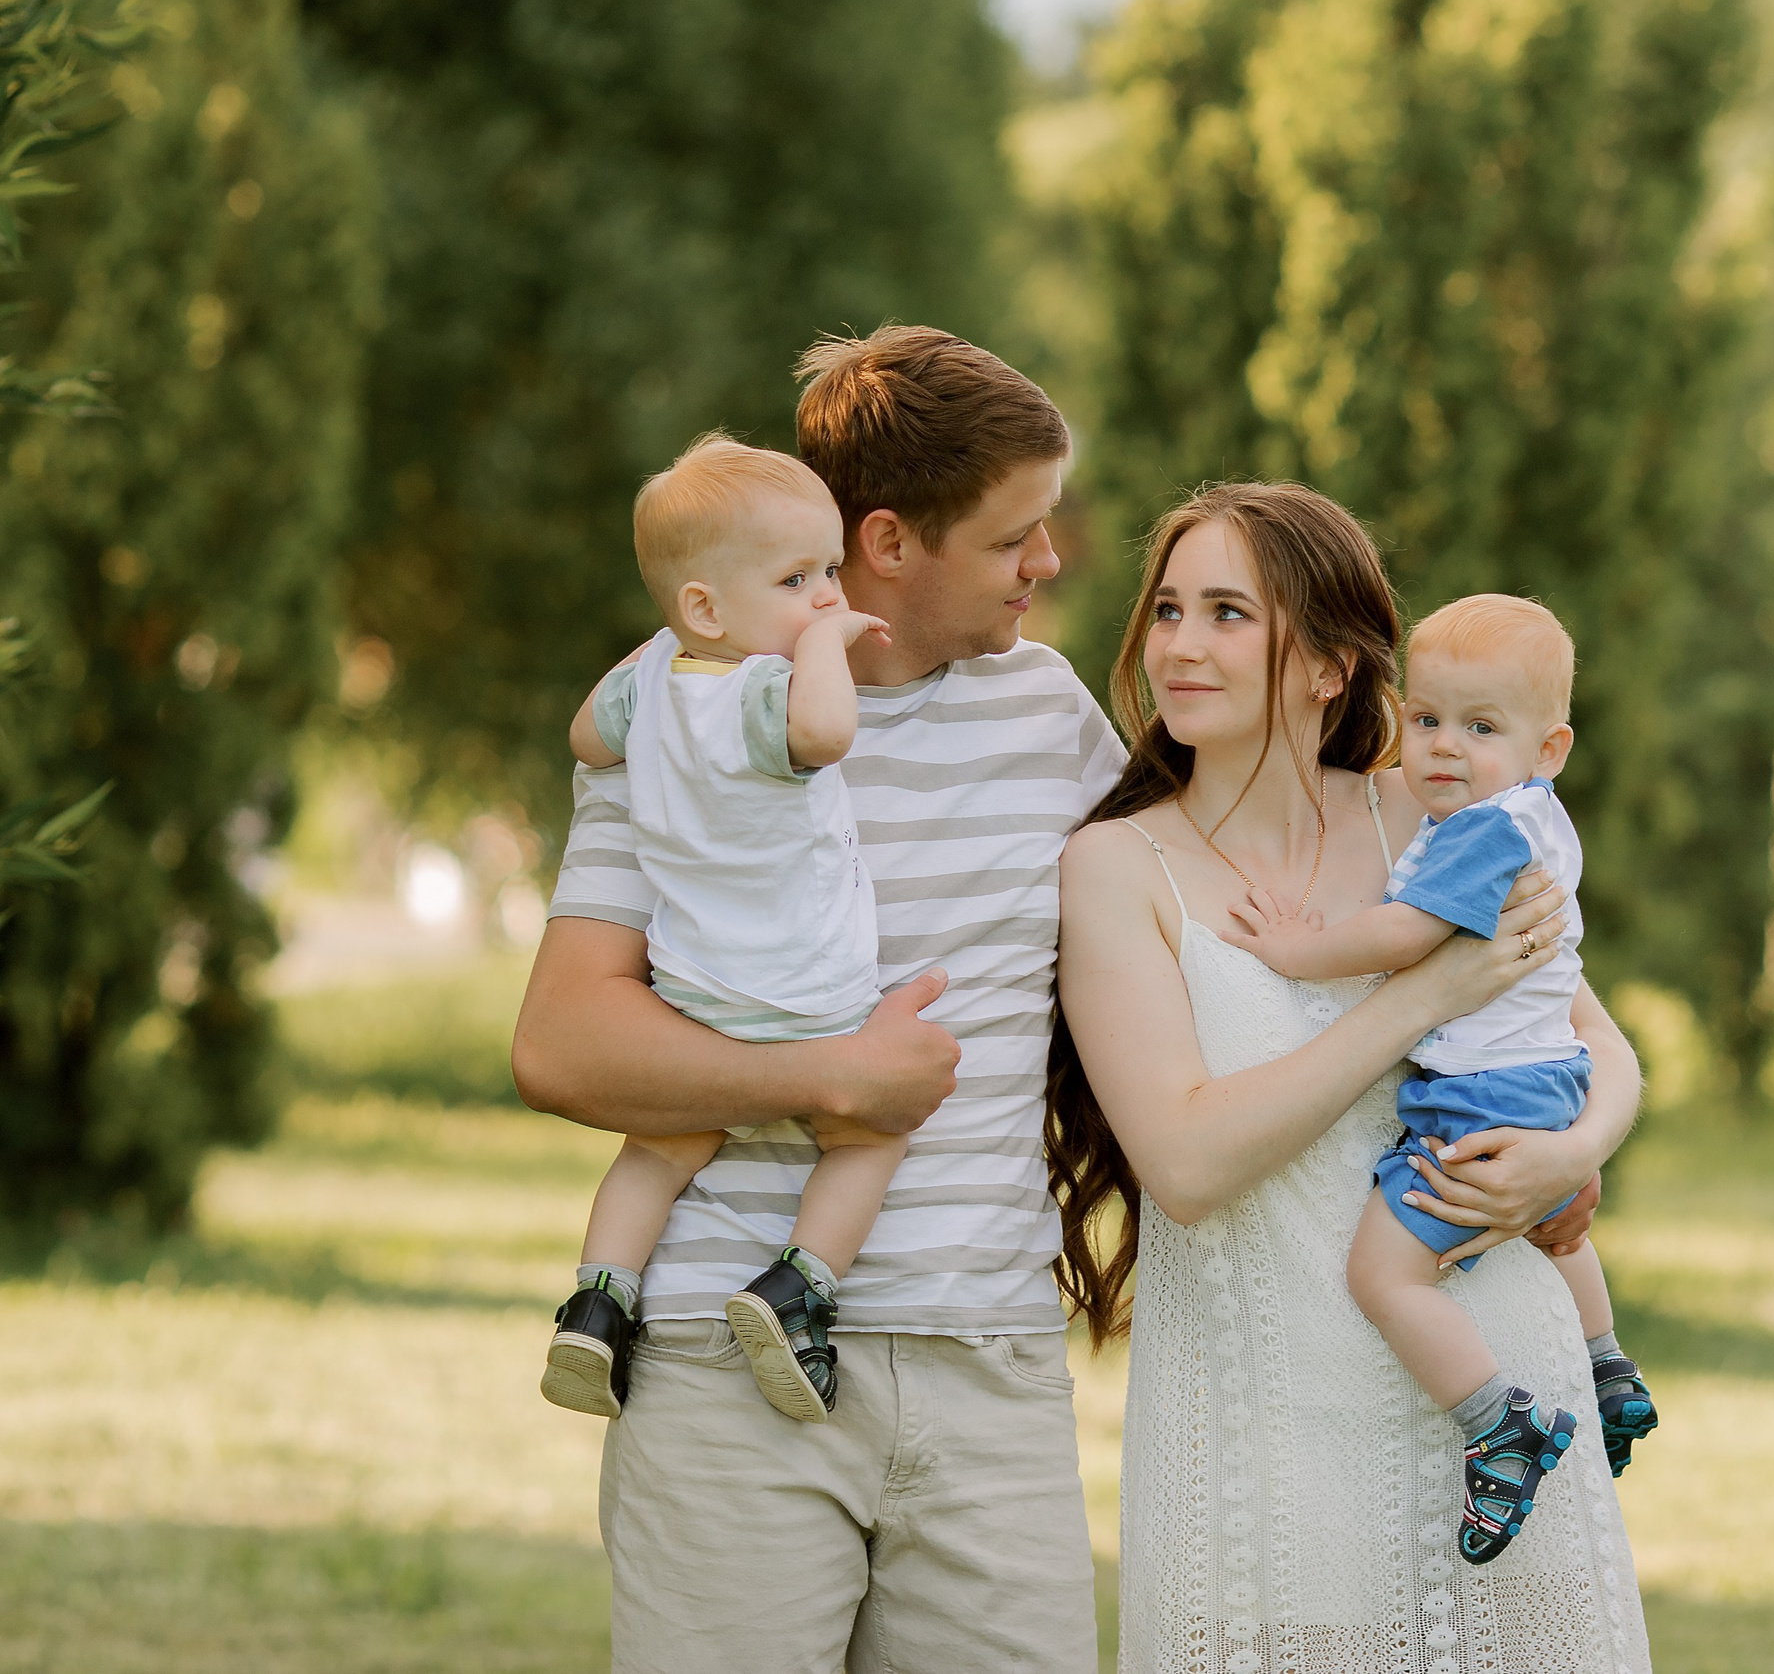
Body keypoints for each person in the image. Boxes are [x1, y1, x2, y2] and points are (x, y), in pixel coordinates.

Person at [513, 326, 1126, 1673]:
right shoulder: (682, 719)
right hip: (721, 1373)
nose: (1050, 560)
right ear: (889, 544)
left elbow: (1209, 941)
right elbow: (560, 1041)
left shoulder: (1052, 715)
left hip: (988, 1364)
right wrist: (831, 1081)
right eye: (1014, 534)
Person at [1051, 483, 1651, 1674]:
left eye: (1228, 612)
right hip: (1264, 1443)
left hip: (1494, 1405)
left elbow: (1599, 1041)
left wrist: (1575, 1154)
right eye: (1167, 608)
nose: (1177, 643)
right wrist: (1421, 1000)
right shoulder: (1116, 867)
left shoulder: (1425, 811)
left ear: (1329, 665)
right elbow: (1185, 1164)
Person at [1218, 594, 1659, 1563]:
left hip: (1481, 1094)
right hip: (1545, 1074)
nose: (1444, 749)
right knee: (1546, 1224)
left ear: (1550, 749)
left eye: (1480, 727)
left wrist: (1301, 950)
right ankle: (1604, 1360)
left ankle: (1500, 1425)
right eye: (1426, 721)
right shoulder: (1532, 818)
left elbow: (1406, 934)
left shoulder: (1482, 833)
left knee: (1387, 1273)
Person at [540, 435, 904, 1428]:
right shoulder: (765, 692)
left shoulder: (653, 679)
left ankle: (598, 1301)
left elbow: (585, 737)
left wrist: (656, 654)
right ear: (708, 606)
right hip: (809, 991)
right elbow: (827, 735)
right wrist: (826, 647)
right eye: (798, 579)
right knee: (872, 1133)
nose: (827, 596)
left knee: (656, 1153)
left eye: (830, 572)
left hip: (695, 990)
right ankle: (797, 1287)